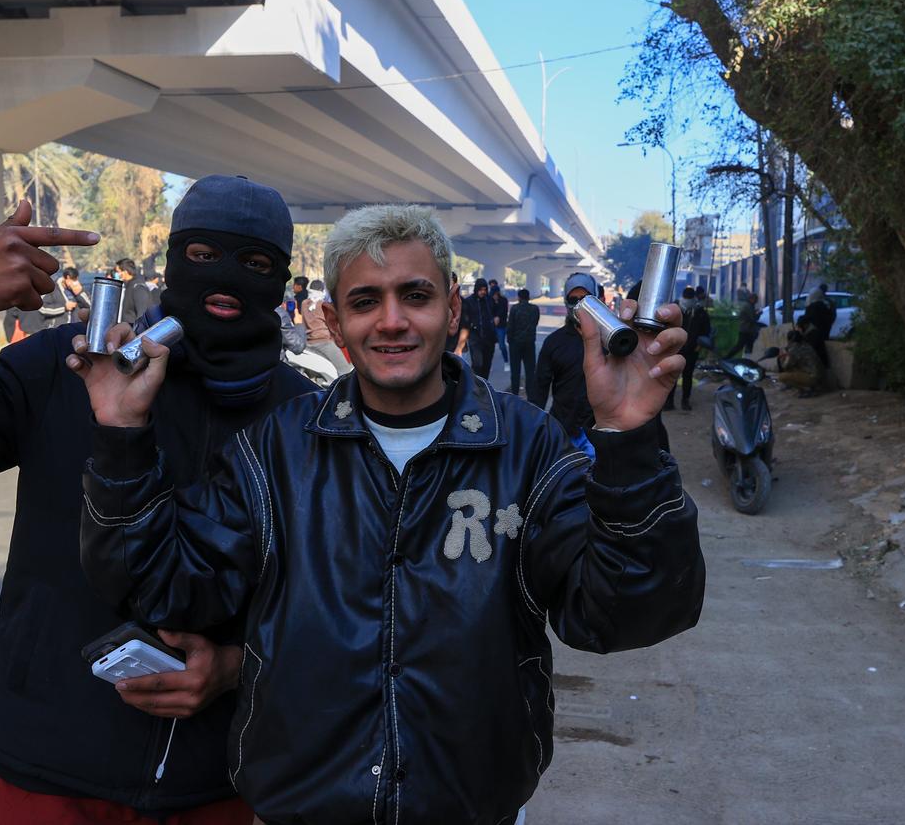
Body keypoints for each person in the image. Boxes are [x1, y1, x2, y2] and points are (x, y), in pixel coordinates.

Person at [74, 204, 705, 825]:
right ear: (333, 321)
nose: (393, 322)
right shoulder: (275, 450)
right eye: (366, 301)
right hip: (299, 806)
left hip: (471, 807)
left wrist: (628, 436)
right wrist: (122, 432)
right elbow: (164, 588)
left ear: (452, 308)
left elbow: (626, 614)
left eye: (416, 295)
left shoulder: (529, 447)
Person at [0, 179, 316, 824]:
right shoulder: (70, 367)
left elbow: (337, 600)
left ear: (282, 280)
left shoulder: (308, 417)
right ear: (174, 260)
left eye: (256, 265)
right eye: (203, 256)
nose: (227, 280)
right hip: (53, 766)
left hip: (224, 777)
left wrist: (239, 669)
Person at [530, 272, 598, 458]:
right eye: (573, 299)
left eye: (585, 298)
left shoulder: (610, 341)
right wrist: (531, 429)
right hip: (562, 431)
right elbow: (539, 389)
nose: (579, 304)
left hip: (598, 434)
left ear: (596, 299)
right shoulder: (554, 342)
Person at [667, 286, 711, 412]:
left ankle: (685, 401)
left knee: (687, 376)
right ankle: (669, 402)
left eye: (689, 298)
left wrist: (699, 346)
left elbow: (705, 331)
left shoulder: (700, 312)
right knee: (673, 376)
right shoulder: (674, 310)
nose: (687, 301)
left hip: (692, 350)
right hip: (676, 349)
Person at [300, 279, 353, 376]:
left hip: (309, 343)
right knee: (345, 370)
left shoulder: (304, 304)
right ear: (322, 290)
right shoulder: (324, 305)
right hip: (324, 343)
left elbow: (303, 323)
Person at [457, 277, 498, 378]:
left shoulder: (489, 300)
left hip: (489, 338)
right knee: (477, 364)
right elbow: (464, 320)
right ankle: (475, 386)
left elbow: (496, 311)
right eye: (481, 290)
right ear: (476, 289)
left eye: (485, 290)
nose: (483, 292)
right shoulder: (469, 301)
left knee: (486, 365)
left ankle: (483, 388)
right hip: (475, 337)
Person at [506, 287, 539, 396]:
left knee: (515, 371)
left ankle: (515, 395)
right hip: (529, 343)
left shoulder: (514, 309)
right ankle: (531, 394)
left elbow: (510, 326)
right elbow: (535, 323)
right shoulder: (535, 309)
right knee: (530, 371)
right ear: (528, 297)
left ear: (519, 297)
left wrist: (510, 340)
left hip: (515, 344)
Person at [778, 328, 826, 397]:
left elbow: (785, 366)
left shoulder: (794, 349)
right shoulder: (806, 345)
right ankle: (813, 388)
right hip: (820, 375)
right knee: (792, 369)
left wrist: (782, 358)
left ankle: (806, 390)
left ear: (789, 340)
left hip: (813, 377)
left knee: (781, 377)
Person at [116, 258, 152, 326]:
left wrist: (137, 332)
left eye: (118, 271)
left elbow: (142, 314)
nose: (118, 274)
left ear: (125, 271)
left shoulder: (138, 287)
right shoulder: (128, 286)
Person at [727, 292, 760, 358]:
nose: (756, 302)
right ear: (752, 299)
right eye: (756, 300)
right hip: (746, 330)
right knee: (741, 346)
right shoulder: (748, 306)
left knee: (749, 346)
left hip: (747, 329)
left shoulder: (748, 306)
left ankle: (750, 359)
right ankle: (727, 357)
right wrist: (758, 314)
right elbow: (752, 318)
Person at [489, 279, 510, 370]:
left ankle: (506, 362)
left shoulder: (504, 300)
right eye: (493, 295)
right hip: (492, 326)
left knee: (502, 345)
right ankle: (488, 364)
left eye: (496, 295)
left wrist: (498, 317)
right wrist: (493, 317)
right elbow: (489, 311)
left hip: (501, 326)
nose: (495, 297)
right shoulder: (489, 300)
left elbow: (504, 311)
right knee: (490, 346)